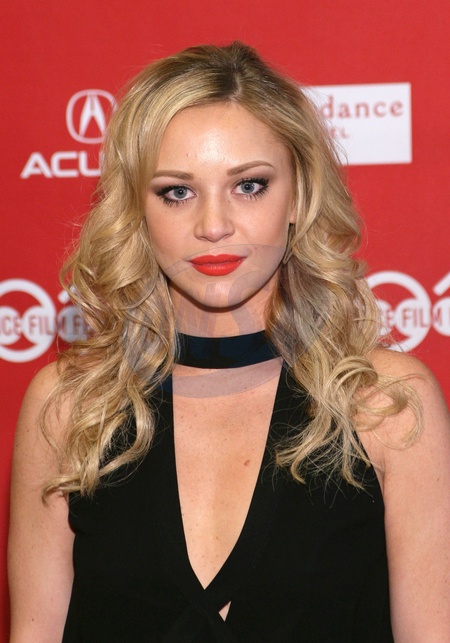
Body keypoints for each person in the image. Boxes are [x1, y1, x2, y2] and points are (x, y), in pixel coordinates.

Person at [8, 42, 450, 642]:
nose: (213, 226)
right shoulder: (71, 406)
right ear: (136, 208)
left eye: (249, 186)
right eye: (177, 191)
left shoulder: (386, 405)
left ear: (298, 196)